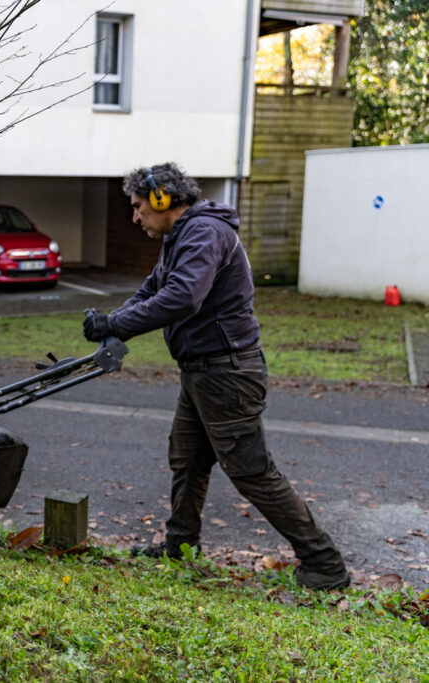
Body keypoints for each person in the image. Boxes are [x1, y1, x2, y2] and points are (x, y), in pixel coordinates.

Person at [82, 163, 349, 591]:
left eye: (137, 207)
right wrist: (110, 320)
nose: (135, 218)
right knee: (187, 458)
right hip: (201, 372)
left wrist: (116, 324)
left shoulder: (205, 234)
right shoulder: (180, 238)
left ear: (162, 198)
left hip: (227, 373)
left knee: (251, 470)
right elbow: (153, 289)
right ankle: (180, 543)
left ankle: (324, 562)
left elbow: (183, 297)